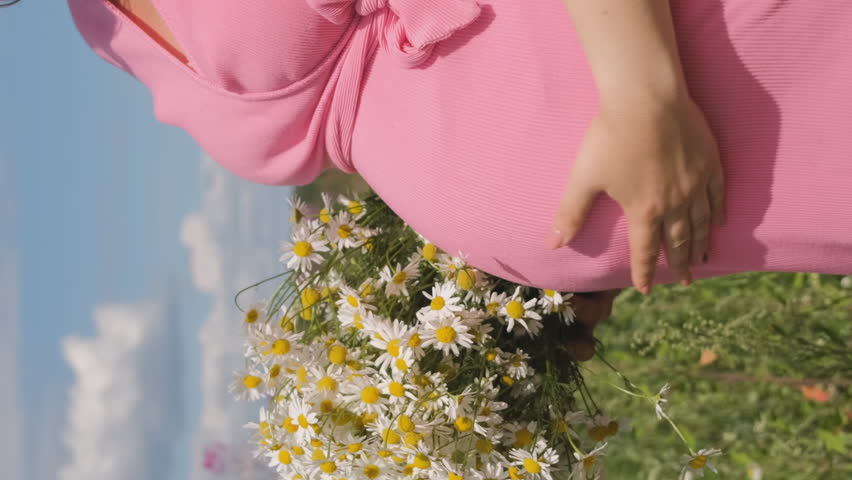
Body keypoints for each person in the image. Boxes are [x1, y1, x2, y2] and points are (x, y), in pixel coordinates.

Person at [57, 1, 852, 336]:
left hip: (713, 59)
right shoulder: (99, 26)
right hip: (727, 182)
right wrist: (522, 289)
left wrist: (639, 88)